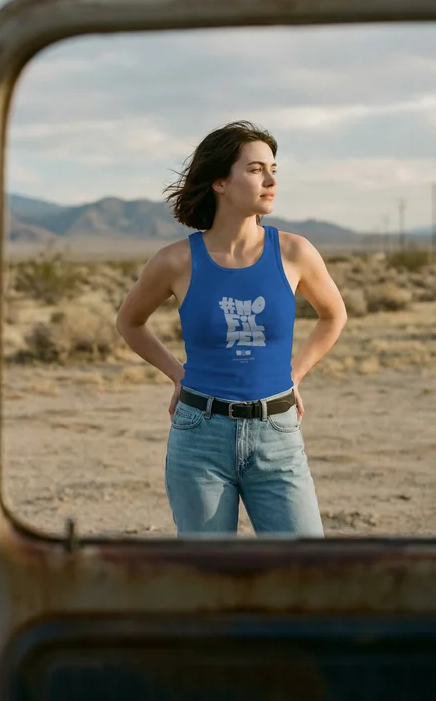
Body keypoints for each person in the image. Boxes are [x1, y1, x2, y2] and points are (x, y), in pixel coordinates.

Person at [116, 121, 347, 537]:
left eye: (273, 168)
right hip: (199, 436)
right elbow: (129, 322)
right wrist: (178, 374)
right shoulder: (175, 261)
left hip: (277, 434)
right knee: (211, 580)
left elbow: (334, 315)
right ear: (220, 181)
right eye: (257, 169)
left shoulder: (295, 252)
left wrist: (294, 375)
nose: (272, 180)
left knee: (305, 570)